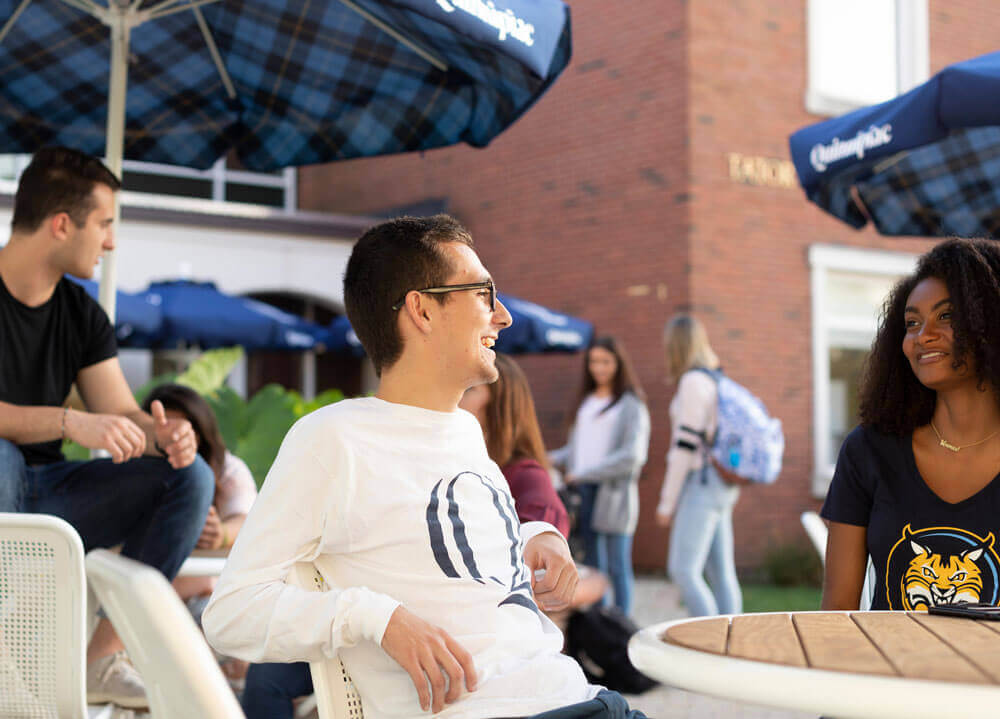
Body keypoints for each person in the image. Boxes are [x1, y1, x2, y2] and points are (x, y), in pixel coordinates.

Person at [204, 215, 648, 719]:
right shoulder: (333, 438)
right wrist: (377, 617)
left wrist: (533, 536)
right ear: (422, 310)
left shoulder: (464, 431)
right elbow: (231, 613)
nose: (502, 316)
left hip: (582, 698)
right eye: (483, 292)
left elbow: (445, 558)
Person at [0, 147, 215, 709]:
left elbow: (119, 411)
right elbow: (82, 421)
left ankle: (98, 658)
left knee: (188, 479)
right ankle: (7, 649)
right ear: (62, 224)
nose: (112, 241)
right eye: (105, 224)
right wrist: (72, 422)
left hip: (48, 496)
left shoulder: (82, 313)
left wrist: (164, 436)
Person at [822, 238, 1000, 612]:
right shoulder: (868, 452)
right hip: (888, 670)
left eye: (947, 316)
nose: (922, 336)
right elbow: (836, 615)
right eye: (912, 323)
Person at [549, 336, 650, 616]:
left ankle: (621, 626)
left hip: (613, 495)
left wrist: (585, 473)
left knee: (618, 565)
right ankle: (599, 624)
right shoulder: (587, 402)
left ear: (618, 364)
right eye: (594, 361)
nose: (599, 368)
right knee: (593, 566)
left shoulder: (630, 404)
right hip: (583, 493)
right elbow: (578, 451)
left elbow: (632, 456)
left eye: (605, 361)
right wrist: (548, 457)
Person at [654, 315, 743, 617]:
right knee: (721, 572)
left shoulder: (693, 382)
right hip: (721, 484)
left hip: (702, 483)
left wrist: (667, 503)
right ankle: (733, 644)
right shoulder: (717, 379)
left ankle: (711, 642)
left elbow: (684, 447)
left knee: (682, 570)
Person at [140, 384, 257, 600]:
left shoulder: (228, 469)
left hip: (204, 597)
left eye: (183, 431)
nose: (174, 439)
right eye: (165, 430)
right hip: (142, 597)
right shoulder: (134, 471)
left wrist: (221, 534)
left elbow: (248, 520)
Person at [459, 353, 570, 537]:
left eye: (468, 389)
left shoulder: (528, 478)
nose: (453, 397)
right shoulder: (458, 464)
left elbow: (540, 553)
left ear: (501, 403)